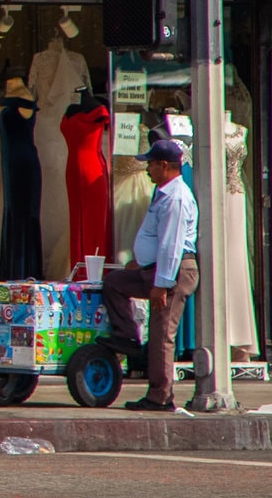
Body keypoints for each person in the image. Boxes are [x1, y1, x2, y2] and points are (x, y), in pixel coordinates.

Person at [102, 138, 201, 412]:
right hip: (155, 269)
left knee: (161, 334)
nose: (147, 170)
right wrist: (141, 261)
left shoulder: (176, 198)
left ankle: (160, 396)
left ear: (165, 166)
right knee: (114, 283)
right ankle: (126, 336)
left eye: (151, 164)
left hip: (172, 272)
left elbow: (172, 244)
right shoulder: (164, 193)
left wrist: (162, 284)